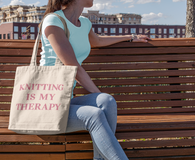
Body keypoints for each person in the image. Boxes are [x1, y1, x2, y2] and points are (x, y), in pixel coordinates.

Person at [40, 0, 151, 159]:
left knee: (107, 101)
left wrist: (131, 37)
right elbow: (73, 67)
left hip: (66, 101)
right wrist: (97, 94)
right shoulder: (53, 21)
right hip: (46, 103)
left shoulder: (84, 23)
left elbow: (98, 41)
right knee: (94, 114)